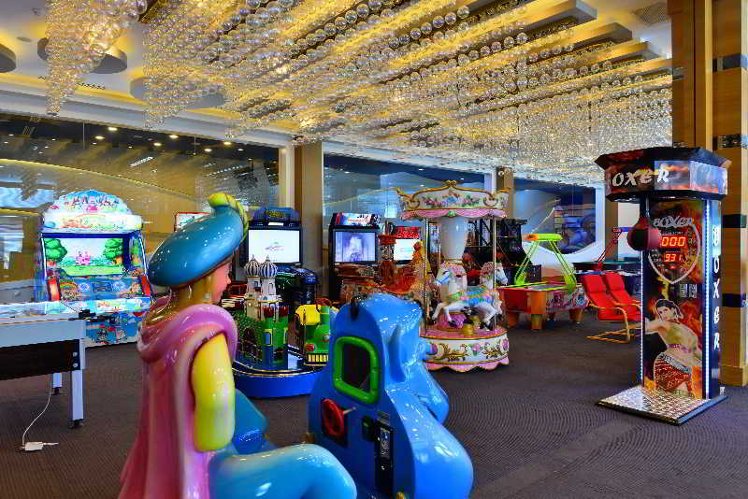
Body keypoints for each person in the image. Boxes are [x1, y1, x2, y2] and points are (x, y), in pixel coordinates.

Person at [120, 193, 355, 499]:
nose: (229, 279)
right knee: (321, 465)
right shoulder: (204, 334)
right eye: (225, 270)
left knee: (243, 405)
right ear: (205, 276)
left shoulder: (161, 320)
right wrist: (217, 439)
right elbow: (216, 403)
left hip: (166, 456)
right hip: (203, 469)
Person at [645, 299, 702, 396]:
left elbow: (695, 350)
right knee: (679, 398)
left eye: (665, 310)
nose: (663, 314)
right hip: (669, 363)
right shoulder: (663, 323)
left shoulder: (686, 329)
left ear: (673, 310)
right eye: (660, 312)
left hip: (686, 368)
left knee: (684, 399)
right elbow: (647, 327)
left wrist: (708, 362)